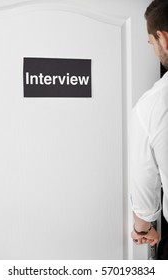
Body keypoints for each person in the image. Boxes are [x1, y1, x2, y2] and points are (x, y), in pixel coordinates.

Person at [129, 0, 168, 250]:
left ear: (163, 39)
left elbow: (144, 185)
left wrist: (141, 229)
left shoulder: (153, 105)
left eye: (151, 42)